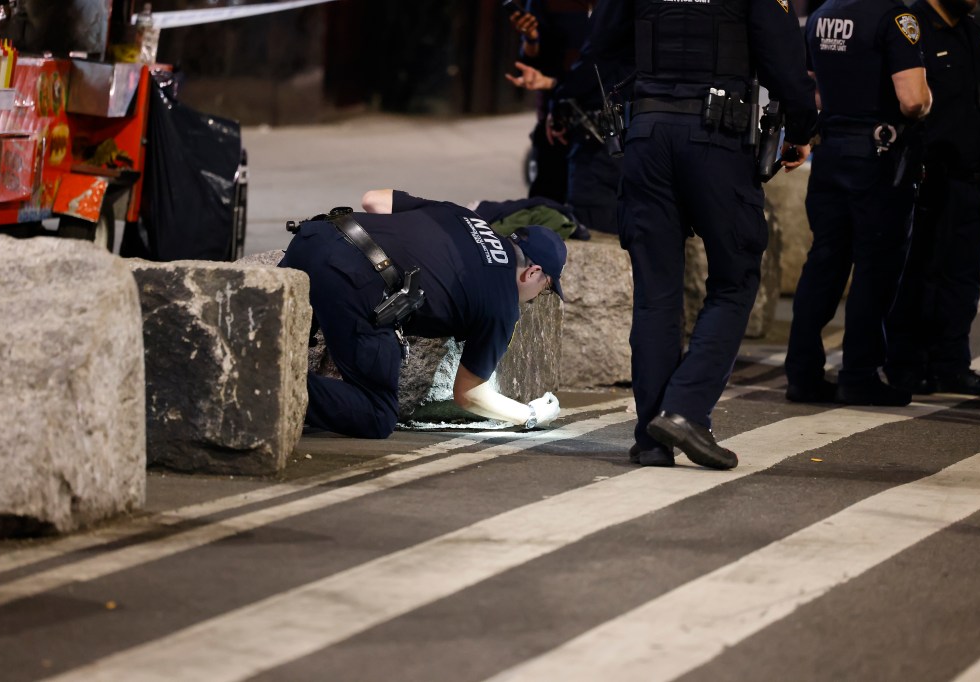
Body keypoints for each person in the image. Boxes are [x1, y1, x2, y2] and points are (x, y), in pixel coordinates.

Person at [584, 0, 818, 470]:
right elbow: (786, 64)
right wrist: (802, 129)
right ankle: (686, 409)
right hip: (717, 140)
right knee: (735, 279)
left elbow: (600, 45)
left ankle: (652, 439)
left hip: (646, 136)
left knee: (656, 293)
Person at [279, 189, 567, 439]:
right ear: (533, 272)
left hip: (315, 236)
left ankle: (254, 371)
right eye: (544, 290)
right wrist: (529, 414)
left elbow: (373, 200)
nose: (534, 300)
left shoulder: (466, 216)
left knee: (269, 340)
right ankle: (273, 387)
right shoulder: (502, 304)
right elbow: (469, 394)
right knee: (377, 415)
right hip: (354, 281)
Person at [785, 0, 932, 407]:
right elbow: (912, 100)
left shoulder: (821, 16)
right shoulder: (895, 18)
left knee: (825, 262)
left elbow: (811, 88)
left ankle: (802, 374)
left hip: (830, 152)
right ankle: (860, 374)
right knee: (875, 267)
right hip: (878, 157)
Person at [884, 0, 980, 396]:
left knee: (961, 281)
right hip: (928, 177)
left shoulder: (975, 32)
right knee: (917, 278)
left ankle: (951, 364)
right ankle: (907, 365)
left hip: (972, 178)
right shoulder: (911, 26)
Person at [507, 1, 598, 207]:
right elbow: (532, 58)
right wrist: (531, 37)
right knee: (547, 204)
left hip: (606, 116)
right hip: (559, 111)